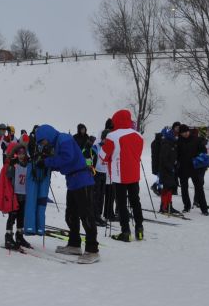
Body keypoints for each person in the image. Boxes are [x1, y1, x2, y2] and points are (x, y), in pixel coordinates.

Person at [35, 124, 99, 264]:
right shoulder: (57, 143)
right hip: (73, 181)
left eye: (43, 141)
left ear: (47, 135)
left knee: (86, 215)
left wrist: (47, 162)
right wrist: (49, 165)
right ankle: (74, 244)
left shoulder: (63, 139)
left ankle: (92, 250)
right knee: (71, 215)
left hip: (83, 181)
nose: (43, 144)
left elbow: (67, 158)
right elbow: (64, 163)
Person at [100, 109, 145, 242]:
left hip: (119, 175)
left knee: (121, 203)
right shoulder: (139, 136)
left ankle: (125, 232)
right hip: (134, 174)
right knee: (135, 201)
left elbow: (103, 156)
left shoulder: (112, 136)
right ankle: (139, 229)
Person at [0, 142, 32, 250]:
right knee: (12, 217)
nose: (21, 155)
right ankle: (8, 237)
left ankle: (19, 236)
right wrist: (11, 163)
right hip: (14, 195)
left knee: (21, 217)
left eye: (23, 153)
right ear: (16, 154)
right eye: (19, 153)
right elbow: (8, 178)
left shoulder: (27, 164)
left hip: (23, 195)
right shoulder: (13, 164)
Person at [176, 124, 209, 215]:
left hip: (195, 168)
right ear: (180, 133)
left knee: (199, 188)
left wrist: (197, 159)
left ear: (189, 131)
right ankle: (186, 207)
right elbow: (176, 155)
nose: (185, 134)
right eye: (183, 132)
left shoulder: (196, 139)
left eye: (186, 132)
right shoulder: (178, 141)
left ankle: (204, 209)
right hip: (183, 168)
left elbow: (203, 152)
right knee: (184, 189)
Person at [157, 126, 181, 215]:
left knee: (170, 187)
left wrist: (176, 163)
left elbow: (173, 157)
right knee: (167, 188)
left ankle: (169, 205)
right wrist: (170, 167)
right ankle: (164, 206)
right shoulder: (166, 144)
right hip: (165, 170)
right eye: (173, 134)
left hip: (170, 169)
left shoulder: (172, 143)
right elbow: (164, 159)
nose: (175, 135)